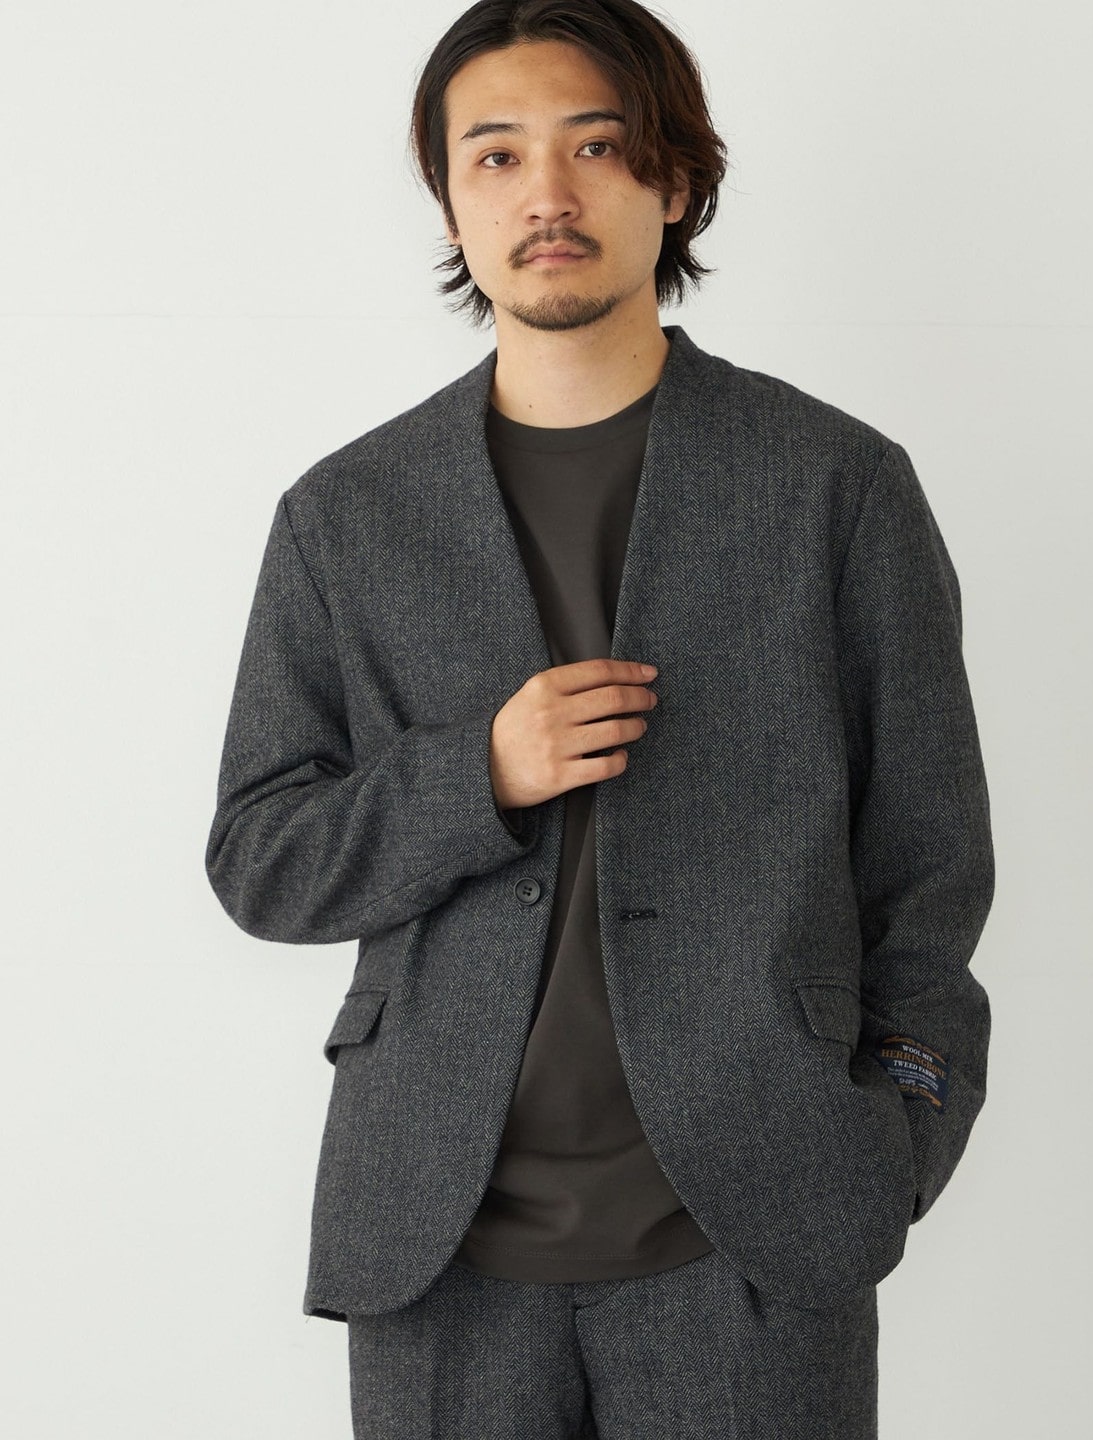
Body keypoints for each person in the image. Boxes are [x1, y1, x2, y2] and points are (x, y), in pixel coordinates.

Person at [204, 1, 995, 1434]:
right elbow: (262, 857)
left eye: (595, 145)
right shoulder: (346, 516)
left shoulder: (834, 485)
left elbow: (929, 863)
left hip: (755, 1239)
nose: (546, 195)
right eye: (496, 156)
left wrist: (895, 1129)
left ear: (673, 179)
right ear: (450, 196)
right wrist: (479, 776)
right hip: (438, 1250)